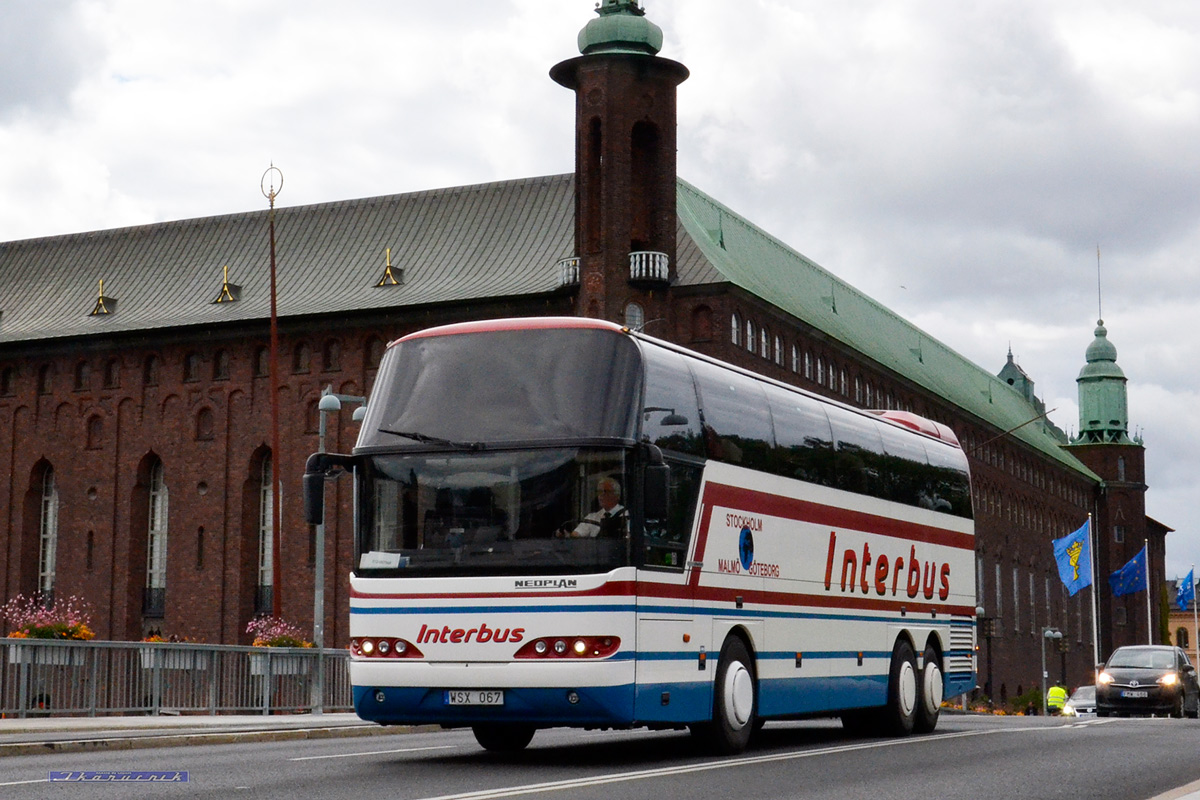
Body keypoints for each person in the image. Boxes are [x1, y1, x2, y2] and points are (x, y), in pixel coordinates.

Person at [560, 477, 627, 538]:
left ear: (617, 495)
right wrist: (566, 535)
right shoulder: (592, 518)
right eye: (599, 492)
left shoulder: (626, 515)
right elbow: (576, 535)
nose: (601, 496)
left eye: (606, 492)